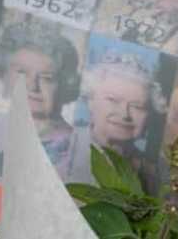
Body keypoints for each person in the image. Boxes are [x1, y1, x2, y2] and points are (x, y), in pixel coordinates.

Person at [0, 16, 81, 181]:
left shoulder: (72, 148)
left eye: (46, 78)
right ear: (4, 74)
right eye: (22, 73)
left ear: (63, 85)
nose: (32, 87)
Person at [63, 50, 167, 187]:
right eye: (113, 100)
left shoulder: (155, 171)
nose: (125, 114)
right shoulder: (63, 144)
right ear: (90, 100)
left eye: (138, 106)